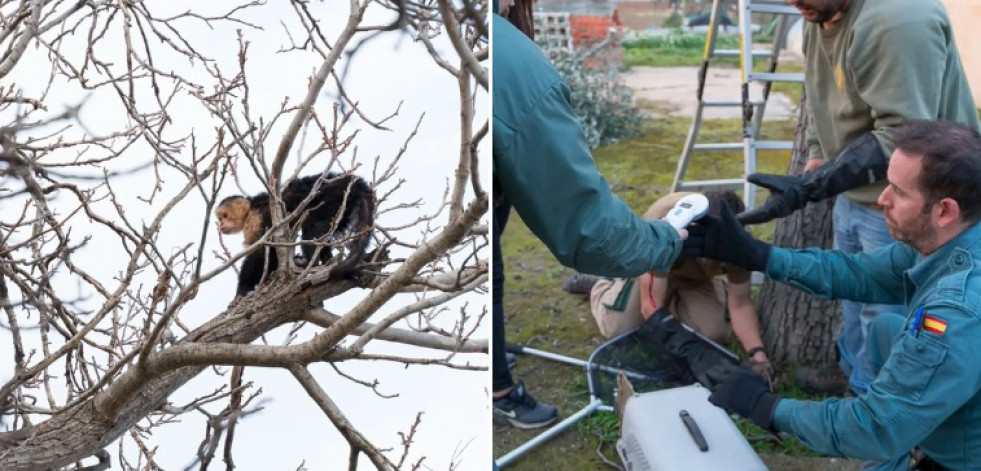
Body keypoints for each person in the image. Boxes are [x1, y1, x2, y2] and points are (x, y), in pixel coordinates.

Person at [686, 120, 981, 470]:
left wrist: (767, 407)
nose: (882, 200)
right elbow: (858, 273)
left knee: (894, 408)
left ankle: (931, 453)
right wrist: (756, 255)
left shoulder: (955, 311)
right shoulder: (954, 234)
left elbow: (875, 426)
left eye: (899, 193)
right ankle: (919, 433)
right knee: (887, 330)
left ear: (945, 210)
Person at [734, 0, 980, 396]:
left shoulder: (897, 18)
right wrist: (818, 155)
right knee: (854, 298)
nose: (793, 4)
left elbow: (906, 137)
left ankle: (881, 407)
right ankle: (855, 376)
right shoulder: (823, 12)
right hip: (859, 193)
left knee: (889, 318)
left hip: (918, 202)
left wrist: (815, 186)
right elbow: (819, 96)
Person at [491, 0, 686, 429]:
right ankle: (499, 391)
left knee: (489, 269)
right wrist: (665, 239)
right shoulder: (506, 58)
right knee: (485, 273)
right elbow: (586, 227)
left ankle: (488, 356)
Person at [566, 191, 774, 380]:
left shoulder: (738, 244)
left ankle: (676, 297)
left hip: (695, 278)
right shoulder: (667, 225)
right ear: (694, 227)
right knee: (619, 329)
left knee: (713, 335)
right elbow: (651, 305)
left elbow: (740, 303)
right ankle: (601, 285)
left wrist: (758, 355)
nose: (710, 258)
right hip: (648, 266)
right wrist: (689, 349)